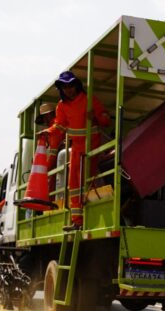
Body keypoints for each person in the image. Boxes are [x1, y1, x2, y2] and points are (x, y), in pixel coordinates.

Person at [39, 71, 111, 225]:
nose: (68, 89)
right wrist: (48, 131)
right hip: (77, 148)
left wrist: (96, 118)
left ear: (76, 85)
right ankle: (77, 220)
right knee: (73, 184)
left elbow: (106, 119)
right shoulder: (62, 106)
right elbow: (58, 126)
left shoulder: (88, 100)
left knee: (83, 179)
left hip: (91, 145)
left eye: (71, 85)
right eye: (64, 87)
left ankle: (87, 214)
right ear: (61, 89)